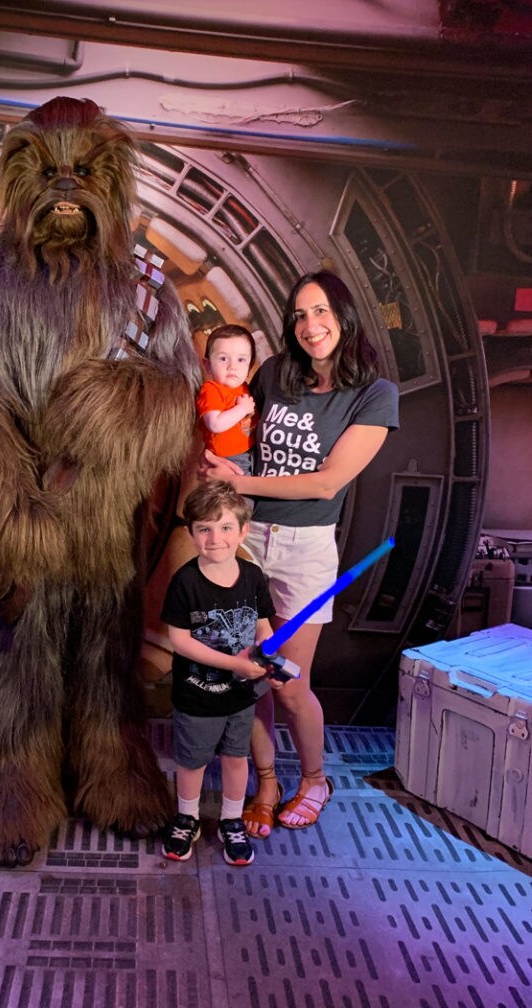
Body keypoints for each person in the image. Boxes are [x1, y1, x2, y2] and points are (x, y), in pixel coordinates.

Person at [201, 270, 399, 837]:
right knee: (247, 675)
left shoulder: (373, 395)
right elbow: (242, 447)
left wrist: (241, 485)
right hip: (248, 539)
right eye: (299, 315)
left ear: (344, 314)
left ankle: (315, 778)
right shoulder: (277, 373)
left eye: (320, 312)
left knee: (288, 682)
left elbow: (325, 483)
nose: (310, 327)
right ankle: (266, 782)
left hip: (303, 549)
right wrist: (220, 469)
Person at [160, 481, 281, 866]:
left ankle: (231, 820)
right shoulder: (185, 582)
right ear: (191, 534)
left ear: (243, 531)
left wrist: (269, 660)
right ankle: (187, 817)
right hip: (197, 694)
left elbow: (263, 626)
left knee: (234, 758)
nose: (216, 538)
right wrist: (235, 664)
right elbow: (179, 641)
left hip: (241, 696)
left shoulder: (251, 576)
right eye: (205, 529)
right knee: (192, 761)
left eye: (226, 527)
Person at [197, 324, 258, 475]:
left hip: (251, 453)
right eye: (223, 358)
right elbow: (215, 424)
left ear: (250, 367)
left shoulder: (244, 387)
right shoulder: (211, 390)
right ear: (208, 365)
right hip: (228, 459)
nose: (232, 366)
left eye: (241, 360)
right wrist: (242, 409)